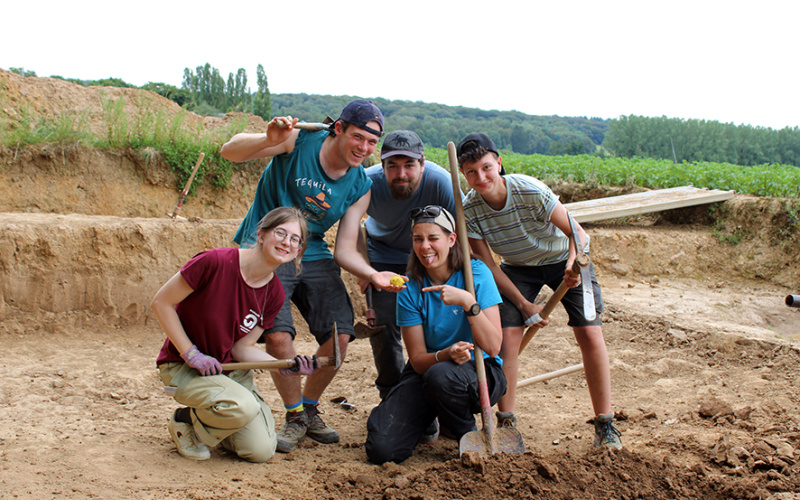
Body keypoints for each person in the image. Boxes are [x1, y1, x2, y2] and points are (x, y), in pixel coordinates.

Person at [220, 100, 403, 453]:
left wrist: (372, 274)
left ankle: (310, 406)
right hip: (268, 246)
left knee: (341, 337)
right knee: (276, 337)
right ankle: (294, 415)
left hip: (314, 250)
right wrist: (267, 137)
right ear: (338, 129)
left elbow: (345, 249)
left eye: (371, 143)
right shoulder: (298, 142)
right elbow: (230, 151)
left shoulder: (359, 185)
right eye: (358, 137)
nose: (364, 149)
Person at [455, 132, 622, 450]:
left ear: (499, 163)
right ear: (463, 174)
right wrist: (523, 304)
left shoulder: (529, 190)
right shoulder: (470, 210)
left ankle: (605, 424)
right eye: (472, 172)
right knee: (507, 336)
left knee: (589, 333)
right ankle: (506, 421)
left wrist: (573, 265)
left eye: (487, 167)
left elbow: (578, 234)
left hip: (563, 259)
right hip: (517, 269)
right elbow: (490, 268)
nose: (481, 177)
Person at [152, 207, 319, 462]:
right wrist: (191, 354)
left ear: (298, 251)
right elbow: (161, 303)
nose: (287, 242)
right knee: (243, 407)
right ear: (261, 235)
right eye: (281, 233)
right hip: (183, 366)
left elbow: (243, 348)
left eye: (295, 239)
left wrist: (285, 365)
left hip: (228, 371)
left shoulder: (274, 293)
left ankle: (221, 420)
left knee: (261, 450)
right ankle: (186, 422)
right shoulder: (215, 262)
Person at [364, 206, 506, 465]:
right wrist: (446, 354)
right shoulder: (409, 288)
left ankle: (467, 433)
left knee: (442, 377)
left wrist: (468, 303)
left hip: (480, 371)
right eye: (418, 239)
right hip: (428, 370)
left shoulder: (476, 274)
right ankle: (431, 415)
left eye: (433, 238)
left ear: (452, 240)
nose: (425, 247)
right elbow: (417, 360)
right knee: (382, 449)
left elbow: (494, 347)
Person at [360, 130, 459, 401]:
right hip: (381, 255)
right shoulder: (364, 182)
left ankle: (441, 393)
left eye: (409, 165)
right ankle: (392, 396)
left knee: (435, 321)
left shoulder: (442, 183)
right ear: (382, 167)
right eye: (392, 166)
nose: (401, 173)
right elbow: (351, 229)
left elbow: (459, 235)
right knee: (384, 325)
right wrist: (364, 270)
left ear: (423, 164)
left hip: (429, 256)